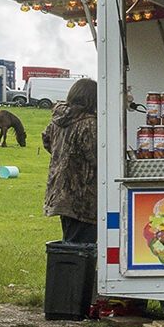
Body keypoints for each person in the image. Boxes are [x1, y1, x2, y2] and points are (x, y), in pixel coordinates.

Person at [42, 78, 98, 244]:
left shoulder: (58, 121)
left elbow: (46, 140)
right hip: (82, 194)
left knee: (70, 241)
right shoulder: (89, 123)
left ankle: (70, 269)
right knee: (81, 247)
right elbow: (96, 158)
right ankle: (75, 271)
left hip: (60, 192)